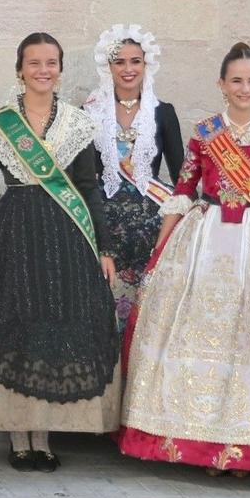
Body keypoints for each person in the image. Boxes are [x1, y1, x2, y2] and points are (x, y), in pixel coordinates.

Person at [119, 42, 250, 476]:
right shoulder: (205, 132)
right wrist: (160, 252)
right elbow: (182, 190)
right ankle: (201, 444)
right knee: (201, 337)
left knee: (249, 343)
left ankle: (245, 447)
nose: (244, 88)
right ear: (221, 85)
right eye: (236, 80)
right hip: (203, 242)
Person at [0, 33, 120, 473]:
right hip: (11, 235)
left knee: (53, 329)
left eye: (51, 62)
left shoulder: (77, 123)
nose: (43, 70)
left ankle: (44, 435)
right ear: (20, 69)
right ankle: (19, 436)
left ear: (60, 69)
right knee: (14, 326)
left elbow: (90, 189)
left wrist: (105, 246)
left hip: (65, 236)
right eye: (34, 63)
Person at [80, 25, 183, 331]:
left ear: (146, 64)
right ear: (107, 66)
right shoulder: (88, 113)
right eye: (119, 62)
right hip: (103, 216)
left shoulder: (163, 112)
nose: (128, 69)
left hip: (150, 217)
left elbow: (181, 175)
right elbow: (81, 174)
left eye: (135, 61)